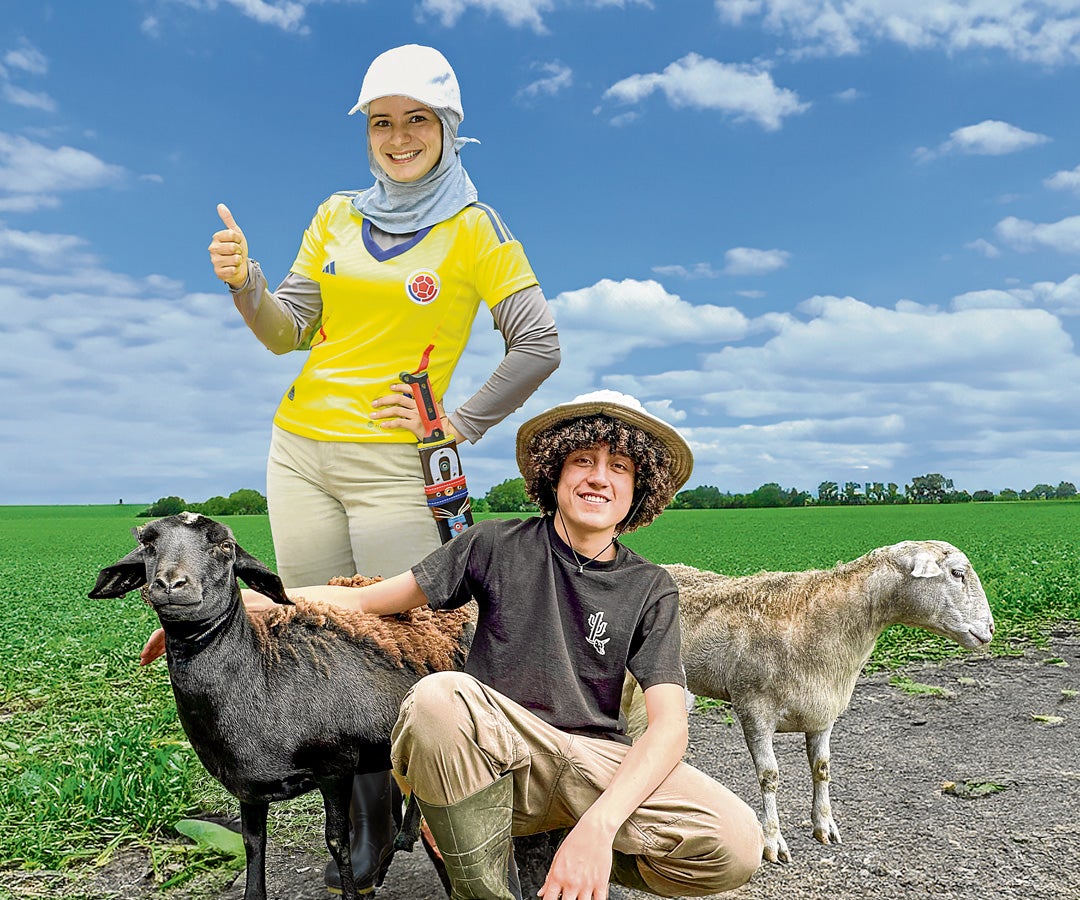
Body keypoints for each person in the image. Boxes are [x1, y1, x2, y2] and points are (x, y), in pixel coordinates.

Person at [201, 42, 560, 895]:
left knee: (406, 645)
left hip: (396, 466)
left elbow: (538, 341)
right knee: (319, 641)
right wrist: (245, 282)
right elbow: (289, 326)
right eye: (382, 122)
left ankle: (435, 812)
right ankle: (356, 825)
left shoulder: (475, 228)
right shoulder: (333, 214)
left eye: (416, 121)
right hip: (298, 452)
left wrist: (458, 421)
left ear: (448, 130)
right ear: (368, 132)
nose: (398, 137)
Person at [251, 390, 764, 899]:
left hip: (591, 760)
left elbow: (669, 725)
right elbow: (368, 602)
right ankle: (484, 883)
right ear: (554, 473)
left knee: (736, 842)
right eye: (583, 459)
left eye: (620, 467)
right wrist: (251, 605)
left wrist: (599, 829)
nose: (599, 477)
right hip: (494, 757)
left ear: (640, 489)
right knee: (438, 698)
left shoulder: (650, 587)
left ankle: (579, 854)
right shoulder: (495, 544)